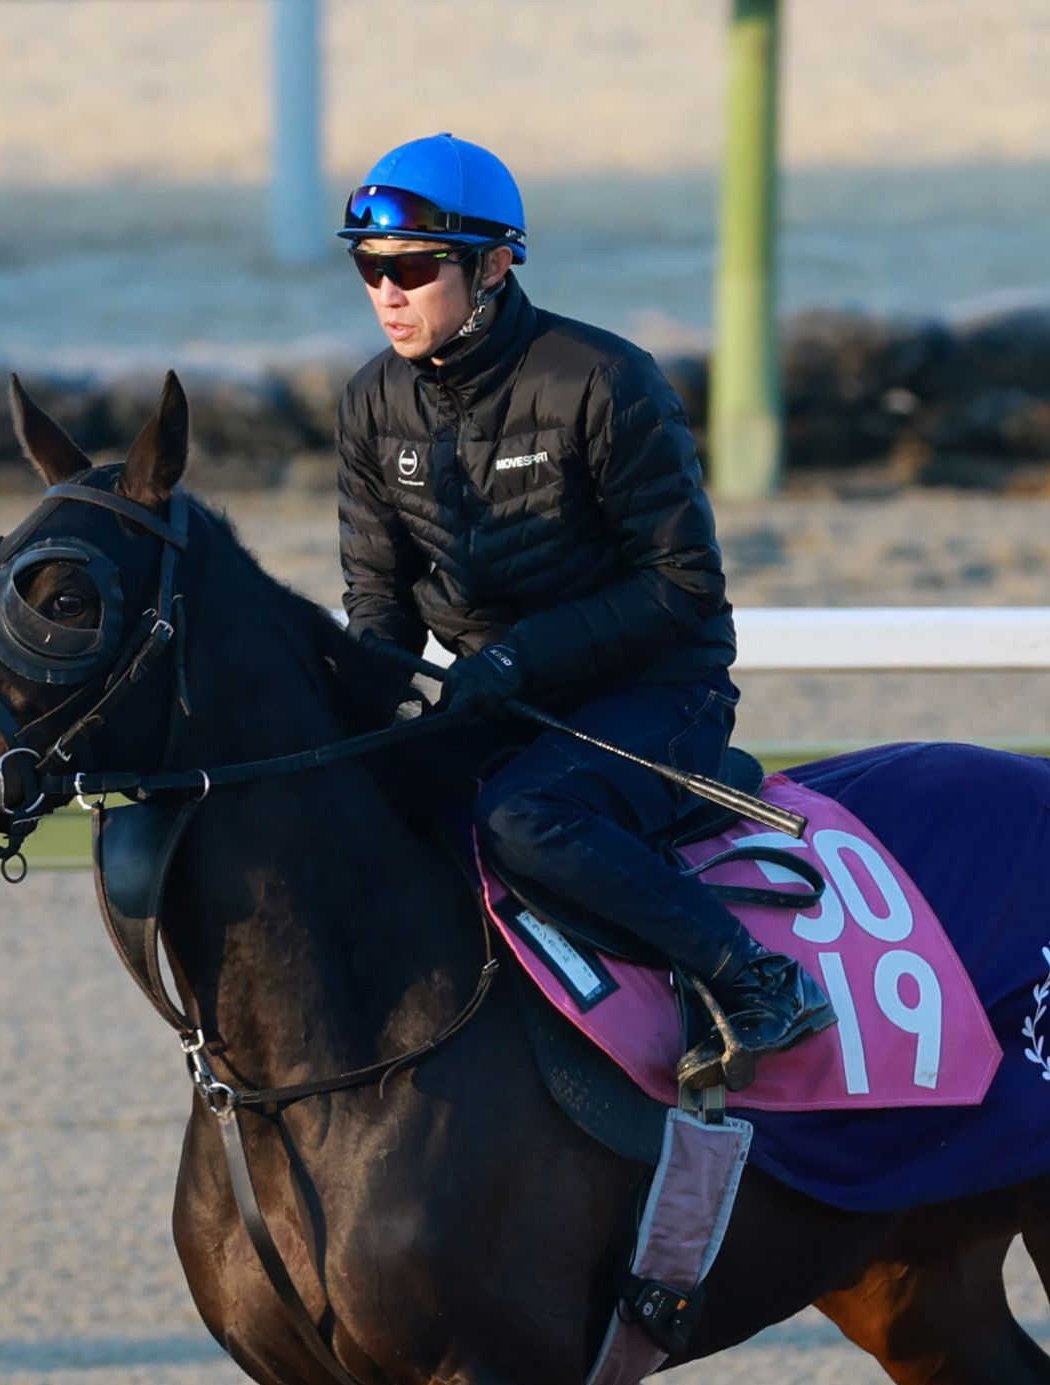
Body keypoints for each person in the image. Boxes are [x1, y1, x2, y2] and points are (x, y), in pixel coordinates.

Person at [334, 132, 832, 1093]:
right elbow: (379, 609)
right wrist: (358, 714)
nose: (387, 294)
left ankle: (756, 976)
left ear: (491, 265)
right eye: (369, 269)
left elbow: (683, 583)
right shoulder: (368, 403)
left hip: (659, 692)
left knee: (524, 818)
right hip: (500, 702)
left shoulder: (606, 380)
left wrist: (516, 662)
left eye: (414, 268)